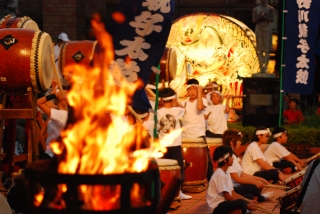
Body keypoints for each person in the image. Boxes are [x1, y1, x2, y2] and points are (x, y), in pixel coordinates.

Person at [157, 87, 192, 200]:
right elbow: (182, 108)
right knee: (179, 169)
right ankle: (178, 190)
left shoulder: (157, 112)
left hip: (162, 146)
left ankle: (174, 192)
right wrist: (175, 100)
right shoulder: (178, 110)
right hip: (175, 146)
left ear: (162, 100)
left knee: (162, 169)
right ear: (173, 100)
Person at [222, 129, 274, 202]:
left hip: (238, 186)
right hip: (233, 188)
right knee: (253, 188)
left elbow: (242, 174)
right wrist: (254, 182)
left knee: (256, 186)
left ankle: (255, 198)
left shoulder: (233, 155)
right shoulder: (228, 157)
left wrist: (258, 179)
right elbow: (237, 179)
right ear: (231, 142)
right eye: (239, 140)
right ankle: (258, 198)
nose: (240, 142)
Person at [207, 145, 257, 214]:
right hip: (217, 207)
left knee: (248, 197)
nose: (233, 159)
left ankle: (242, 210)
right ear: (225, 160)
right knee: (241, 203)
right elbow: (228, 197)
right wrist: (246, 205)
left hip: (225, 202)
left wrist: (248, 201)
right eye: (230, 157)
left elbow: (232, 193)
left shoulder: (226, 173)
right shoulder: (219, 174)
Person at [181, 79, 213, 182]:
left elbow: (199, 108)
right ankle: (187, 180)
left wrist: (200, 92)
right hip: (186, 135)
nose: (193, 92)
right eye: (190, 89)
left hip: (199, 134)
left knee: (206, 158)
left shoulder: (202, 100)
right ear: (187, 91)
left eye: (195, 89)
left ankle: (211, 179)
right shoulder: (184, 102)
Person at [37, 81, 68, 158]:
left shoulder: (59, 114)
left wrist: (54, 95)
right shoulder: (62, 113)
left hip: (52, 155)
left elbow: (39, 102)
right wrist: (55, 89)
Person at [253, 0, 274, 73]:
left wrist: (265, 17)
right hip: (259, 28)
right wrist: (259, 18)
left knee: (267, 49)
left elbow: (272, 19)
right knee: (260, 49)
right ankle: (261, 67)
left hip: (266, 28)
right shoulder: (256, 9)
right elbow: (254, 19)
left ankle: (266, 67)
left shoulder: (270, 9)